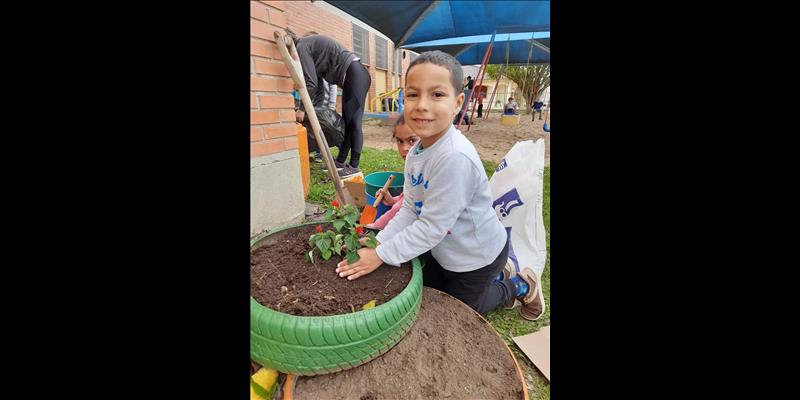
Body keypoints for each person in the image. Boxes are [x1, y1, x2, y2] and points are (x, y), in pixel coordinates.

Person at [335, 50, 543, 318]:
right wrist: (380, 242)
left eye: (437, 94)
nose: (422, 105)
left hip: (476, 257)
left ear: (457, 103)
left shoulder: (455, 157)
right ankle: (501, 273)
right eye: (412, 94)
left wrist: (380, 255)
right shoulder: (416, 152)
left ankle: (518, 284)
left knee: (461, 311)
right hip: (446, 249)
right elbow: (410, 208)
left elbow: (432, 227)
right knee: (426, 290)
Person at [288, 30, 370, 173]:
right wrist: (316, 112)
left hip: (355, 74)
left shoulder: (301, 47)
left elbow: (310, 84)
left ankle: (354, 167)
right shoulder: (310, 49)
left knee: (354, 123)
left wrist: (302, 109)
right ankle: (340, 162)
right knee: (348, 122)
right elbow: (318, 87)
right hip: (352, 76)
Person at [364, 114, 418, 231]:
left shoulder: (424, 171)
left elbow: (404, 208)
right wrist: (392, 200)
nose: (405, 148)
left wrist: (377, 226)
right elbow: (407, 198)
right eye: (399, 141)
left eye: (412, 140)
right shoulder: (412, 165)